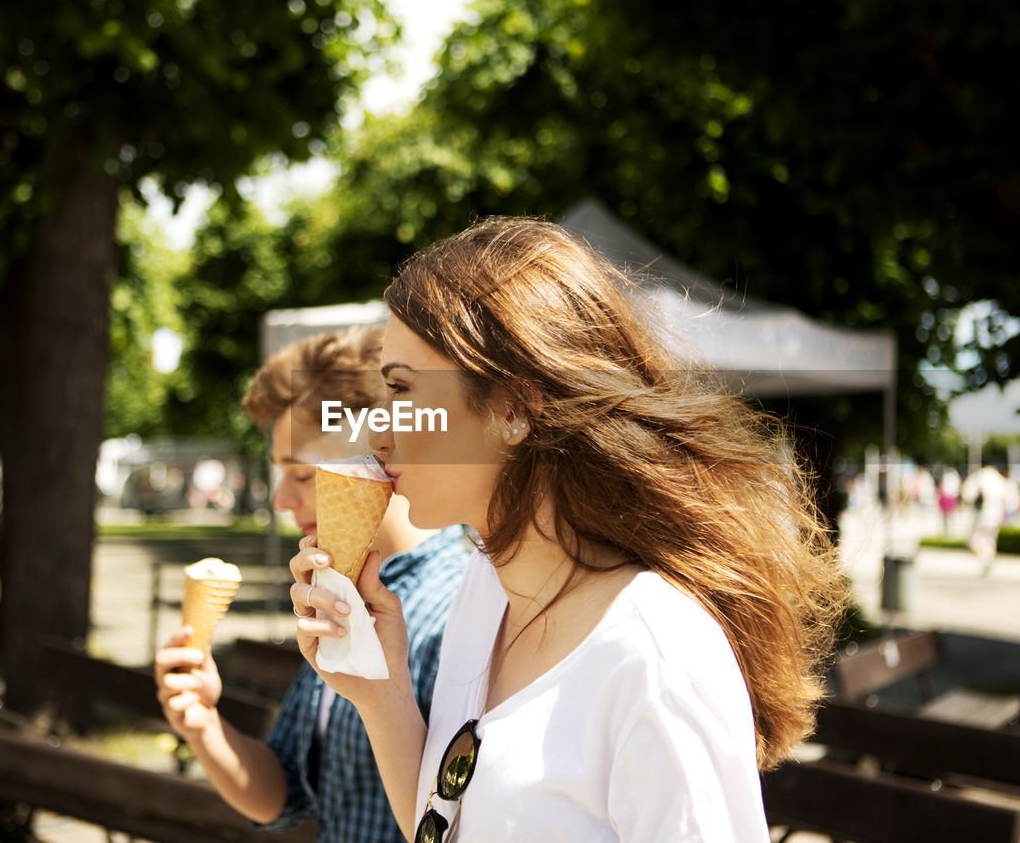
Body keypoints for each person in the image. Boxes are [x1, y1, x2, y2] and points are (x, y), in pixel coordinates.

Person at [287, 217, 846, 841]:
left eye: (403, 390)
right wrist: (381, 696)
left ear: (514, 410)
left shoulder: (657, 655)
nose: (377, 431)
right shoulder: (486, 590)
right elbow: (447, 827)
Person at [153, 325, 469, 843]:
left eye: (302, 476)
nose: (280, 500)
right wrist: (202, 722)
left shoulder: (464, 604)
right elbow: (284, 795)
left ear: (378, 448)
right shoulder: (340, 590)